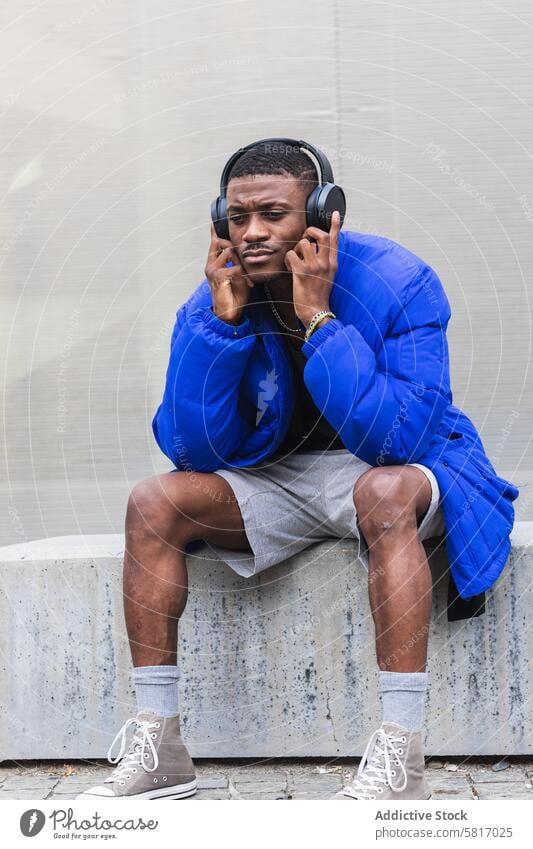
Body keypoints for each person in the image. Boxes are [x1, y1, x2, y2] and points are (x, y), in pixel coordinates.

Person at [78, 139, 519, 801]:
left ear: (321, 212)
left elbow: (399, 437)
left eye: (272, 213)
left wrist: (318, 318)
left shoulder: (399, 281)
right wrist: (219, 330)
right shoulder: (214, 299)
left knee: (384, 488)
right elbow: (194, 452)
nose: (251, 232)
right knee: (152, 501)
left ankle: (400, 753)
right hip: (280, 479)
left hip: (394, 470)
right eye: (236, 216)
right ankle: (160, 744)